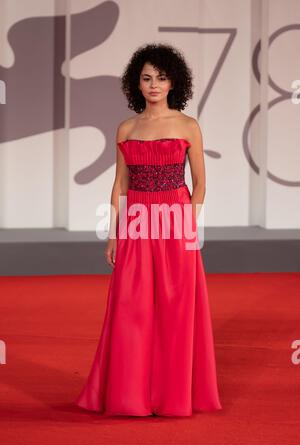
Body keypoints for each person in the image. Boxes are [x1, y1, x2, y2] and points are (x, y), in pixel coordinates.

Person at [75, 42, 222, 416]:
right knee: (131, 308)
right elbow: (120, 184)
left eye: (161, 77)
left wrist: (189, 224)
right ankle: (130, 395)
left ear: (174, 82)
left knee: (175, 309)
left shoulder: (188, 125)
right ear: (136, 84)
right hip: (137, 221)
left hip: (175, 219)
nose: (154, 84)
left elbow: (201, 184)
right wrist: (113, 233)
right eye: (146, 78)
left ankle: (172, 396)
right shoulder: (127, 128)